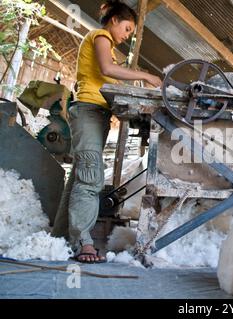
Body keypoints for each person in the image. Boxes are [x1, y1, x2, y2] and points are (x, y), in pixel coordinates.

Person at [51, 0, 162, 262]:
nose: (126, 36)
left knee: (79, 176)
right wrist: (145, 76)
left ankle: (59, 239)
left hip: (94, 114)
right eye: (126, 29)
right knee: (90, 178)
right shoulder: (100, 37)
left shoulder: (109, 47)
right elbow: (107, 70)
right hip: (88, 111)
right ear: (114, 20)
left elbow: (110, 76)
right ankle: (83, 244)